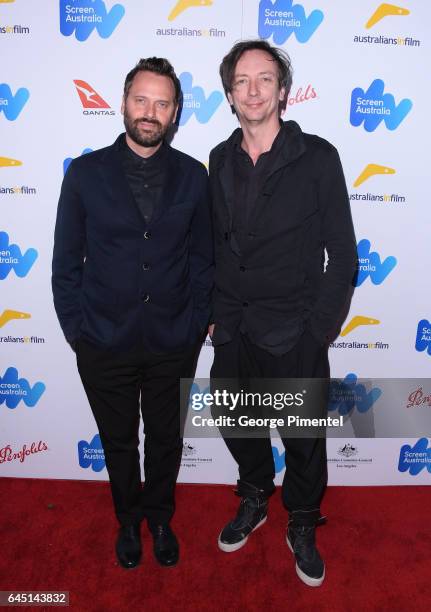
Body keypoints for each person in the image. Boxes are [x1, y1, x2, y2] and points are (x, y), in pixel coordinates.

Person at [52, 57, 213, 569]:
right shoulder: (84, 173)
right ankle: (128, 520)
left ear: (175, 112)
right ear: (123, 104)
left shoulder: (194, 176)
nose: (150, 112)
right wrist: (79, 331)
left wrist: (195, 325)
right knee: (119, 442)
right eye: (141, 100)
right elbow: (65, 262)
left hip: (173, 341)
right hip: (102, 339)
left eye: (162, 103)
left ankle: (160, 518)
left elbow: (203, 258)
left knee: (166, 439)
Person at [208, 40, 356, 587]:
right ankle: (255, 493)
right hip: (233, 326)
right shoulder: (219, 158)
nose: (253, 89)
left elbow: (342, 252)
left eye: (264, 79)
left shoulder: (317, 157)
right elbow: (218, 245)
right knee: (234, 419)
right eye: (242, 80)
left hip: (295, 329)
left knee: (303, 438)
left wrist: (318, 329)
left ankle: (300, 517)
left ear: (282, 91)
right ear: (229, 94)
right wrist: (215, 315)